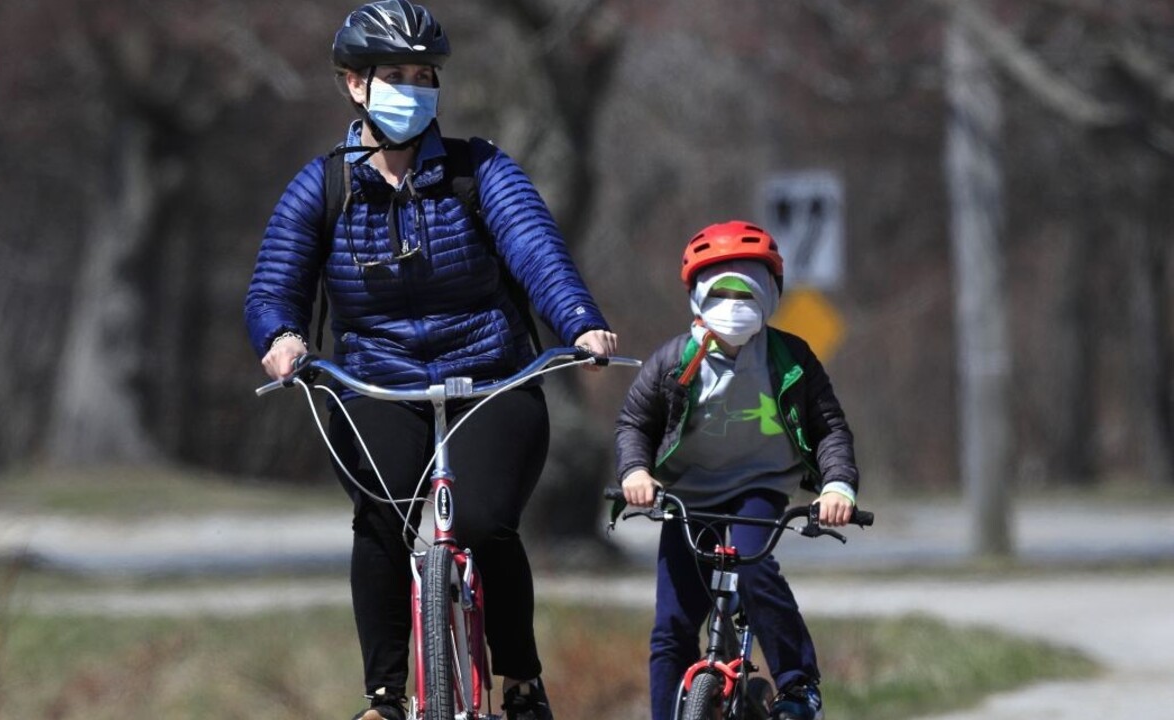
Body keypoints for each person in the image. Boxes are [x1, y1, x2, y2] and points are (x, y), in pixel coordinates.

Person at [244, 2, 616, 718]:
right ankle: (385, 698)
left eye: (424, 75)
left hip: (491, 377)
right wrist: (281, 339)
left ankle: (521, 683)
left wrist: (580, 323)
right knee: (380, 519)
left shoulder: (482, 172)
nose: (412, 89)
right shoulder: (321, 188)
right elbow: (274, 285)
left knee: (480, 521)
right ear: (355, 84)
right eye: (395, 75)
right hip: (375, 382)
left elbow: (538, 251)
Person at [613, 221, 859, 720]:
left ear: (771, 293)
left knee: (752, 565)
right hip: (687, 495)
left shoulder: (791, 356)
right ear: (697, 297)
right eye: (721, 288)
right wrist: (635, 472)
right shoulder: (672, 362)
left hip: (759, 488)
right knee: (672, 627)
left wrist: (837, 485)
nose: (734, 299)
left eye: (748, 285)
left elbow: (830, 426)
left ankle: (797, 685)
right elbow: (634, 422)